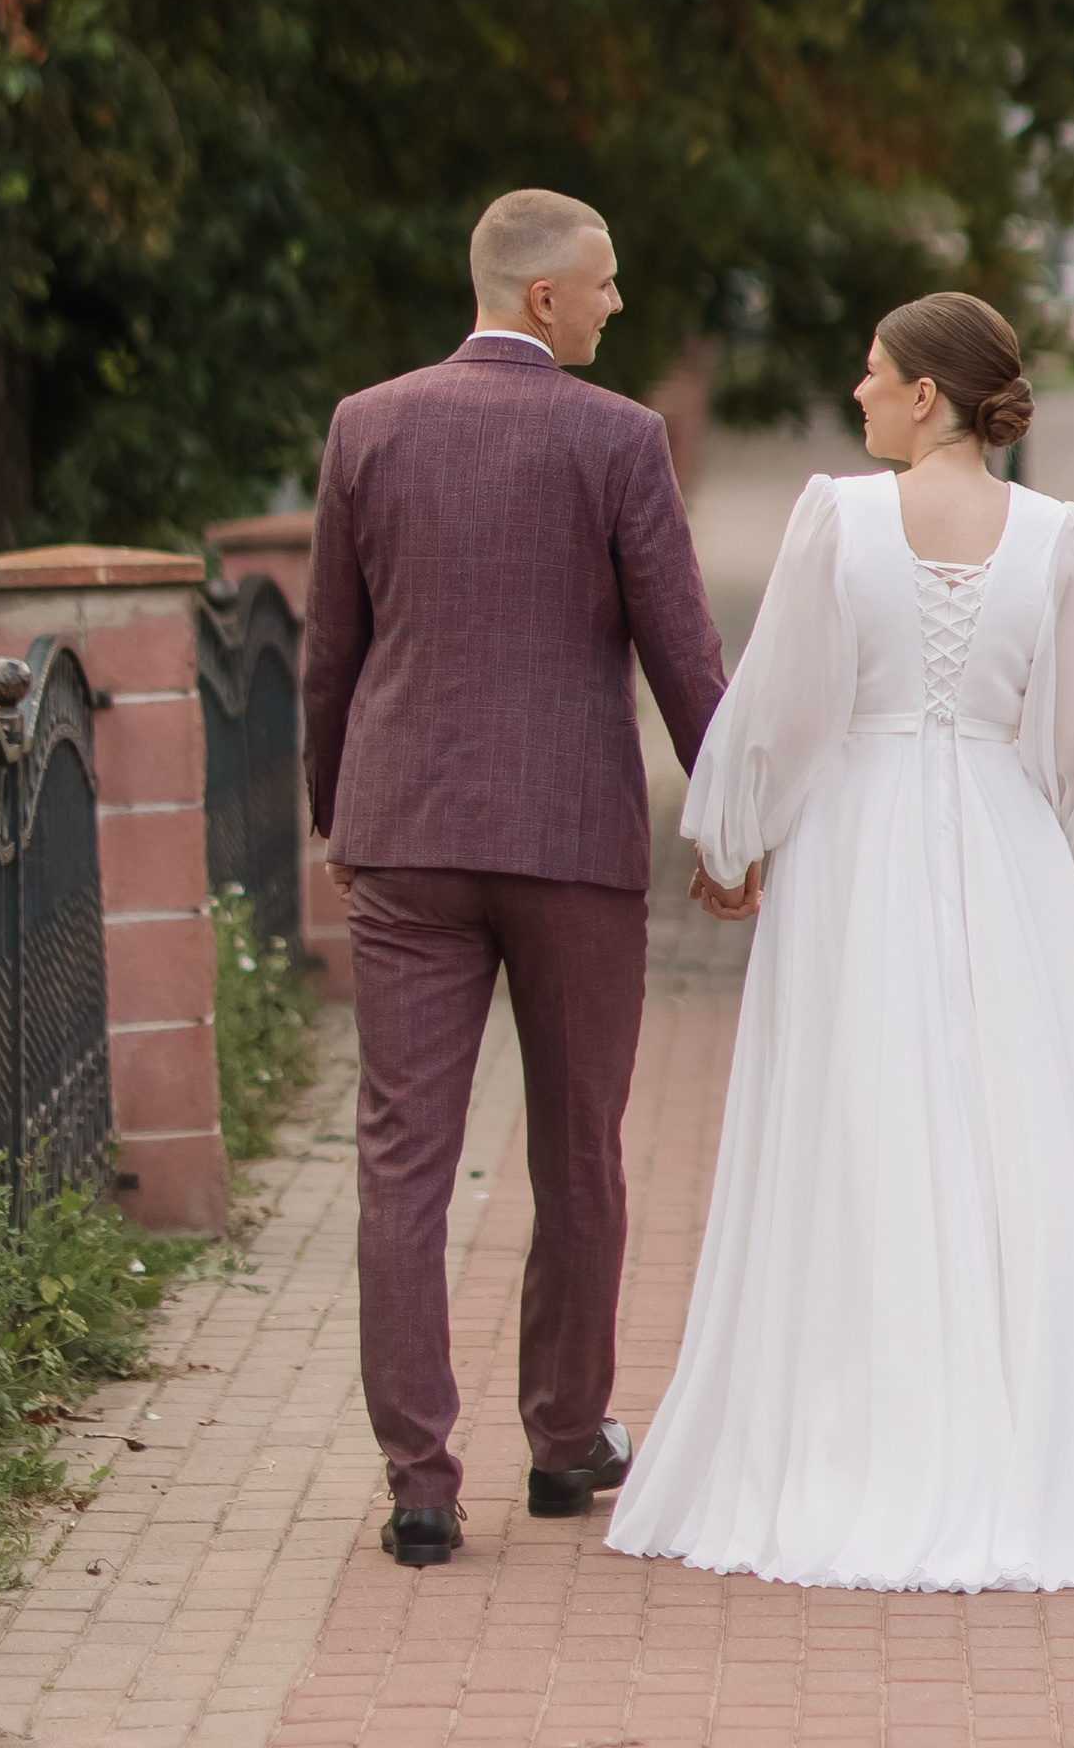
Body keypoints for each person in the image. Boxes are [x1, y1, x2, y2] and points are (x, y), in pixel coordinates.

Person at [607, 291, 1074, 1594]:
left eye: (873, 373)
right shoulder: (1060, 538)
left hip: (854, 849)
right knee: (1022, 1128)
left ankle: (857, 1438)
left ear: (929, 394)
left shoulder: (837, 519)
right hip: (1002, 848)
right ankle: (1036, 1443)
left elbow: (784, 714)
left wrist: (733, 843)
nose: (857, 392)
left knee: (855, 1126)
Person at [301, 188, 737, 1570]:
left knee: (400, 1164)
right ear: (543, 297)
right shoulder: (619, 441)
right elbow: (685, 656)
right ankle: (565, 1440)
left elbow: (330, 654)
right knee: (579, 1152)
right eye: (605, 282)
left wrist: (340, 818)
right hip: (569, 845)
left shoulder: (367, 426)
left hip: (406, 842)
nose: (619, 302)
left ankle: (421, 1484)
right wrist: (735, 825)